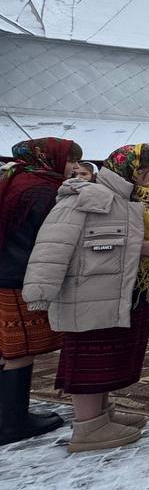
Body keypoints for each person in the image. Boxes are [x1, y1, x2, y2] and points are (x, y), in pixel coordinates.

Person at [22, 143, 149, 452]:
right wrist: (40, 292)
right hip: (88, 292)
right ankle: (87, 427)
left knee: (108, 358)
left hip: (114, 291)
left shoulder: (129, 199)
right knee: (89, 358)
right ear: (129, 170)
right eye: (145, 170)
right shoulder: (84, 198)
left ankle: (101, 414)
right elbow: (53, 246)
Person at [0, 137, 80, 445]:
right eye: (71, 160)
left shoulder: (14, 180)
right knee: (20, 350)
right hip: (18, 276)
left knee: (8, 347)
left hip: (6, 273)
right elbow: (50, 237)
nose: (74, 167)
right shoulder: (42, 190)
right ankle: (13, 421)